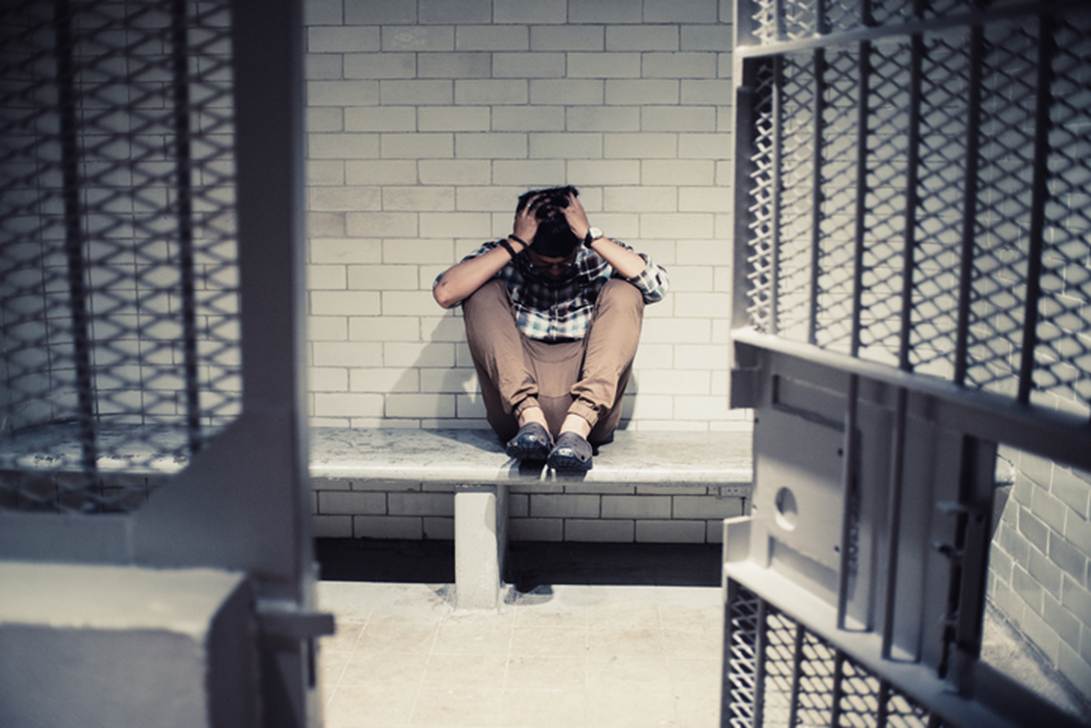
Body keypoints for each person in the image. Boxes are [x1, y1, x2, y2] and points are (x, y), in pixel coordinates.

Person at [432, 186, 669, 471]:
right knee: (482, 292)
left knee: (625, 292)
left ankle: (575, 429)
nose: (555, 271)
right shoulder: (507, 255)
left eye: (563, 262)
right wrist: (515, 243)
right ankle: (532, 422)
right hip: (518, 415)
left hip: (588, 414)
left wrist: (591, 236)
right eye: (545, 264)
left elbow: (657, 287)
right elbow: (445, 293)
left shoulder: (593, 255)